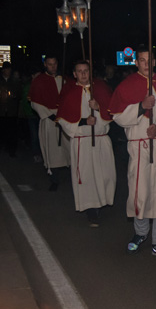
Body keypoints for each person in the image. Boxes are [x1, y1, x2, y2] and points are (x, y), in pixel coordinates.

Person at [109, 47, 156, 259]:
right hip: (139, 146)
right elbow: (117, 116)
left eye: (149, 60)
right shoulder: (127, 85)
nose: (145, 63)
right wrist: (141, 106)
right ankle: (140, 233)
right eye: (141, 60)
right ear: (136, 63)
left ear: (154, 62)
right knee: (139, 192)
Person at [56, 60, 116, 227]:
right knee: (87, 177)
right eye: (79, 71)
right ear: (74, 74)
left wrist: (98, 108)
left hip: (101, 139)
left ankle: (101, 202)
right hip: (82, 141)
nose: (83, 74)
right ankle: (92, 210)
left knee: (105, 175)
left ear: (90, 72)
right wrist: (83, 121)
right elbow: (63, 120)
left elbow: (112, 115)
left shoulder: (101, 89)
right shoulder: (70, 93)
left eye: (86, 71)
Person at [29, 56, 71, 190]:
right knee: (52, 150)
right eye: (50, 64)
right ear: (45, 65)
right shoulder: (39, 81)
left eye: (54, 64)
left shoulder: (64, 79)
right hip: (49, 119)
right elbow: (35, 102)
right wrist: (51, 115)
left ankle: (74, 176)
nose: (53, 66)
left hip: (65, 117)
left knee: (69, 147)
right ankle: (54, 179)